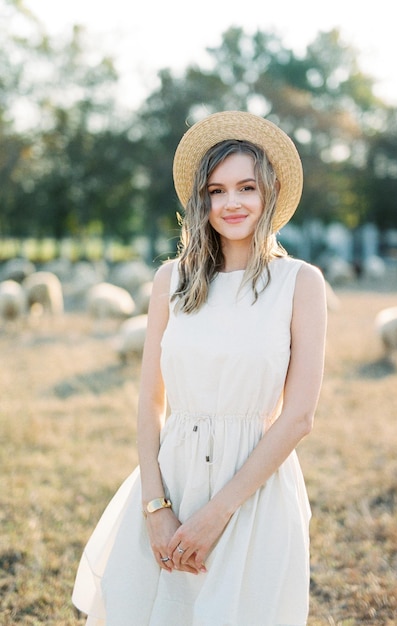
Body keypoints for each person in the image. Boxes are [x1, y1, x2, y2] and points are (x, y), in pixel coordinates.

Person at [72, 110, 327, 626]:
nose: (231, 203)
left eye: (246, 187)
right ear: (200, 199)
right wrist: (156, 507)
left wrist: (218, 513)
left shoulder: (300, 283)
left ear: (270, 192)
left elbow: (299, 416)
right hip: (172, 479)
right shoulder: (171, 279)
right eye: (216, 190)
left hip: (253, 491)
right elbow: (150, 400)